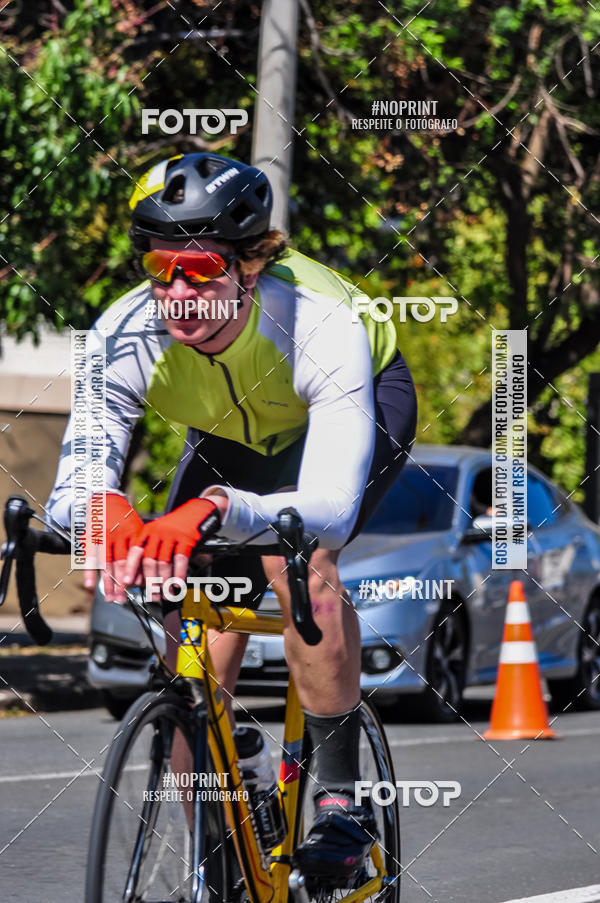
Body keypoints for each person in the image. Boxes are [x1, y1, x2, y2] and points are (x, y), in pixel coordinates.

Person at [46, 152, 417, 879]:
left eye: (201, 269)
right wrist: (106, 512)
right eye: (161, 269)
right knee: (194, 624)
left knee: (298, 561)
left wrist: (216, 507)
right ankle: (219, 837)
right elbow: (74, 480)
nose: (179, 293)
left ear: (248, 265)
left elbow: (331, 509)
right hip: (232, 431)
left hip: (349, 403)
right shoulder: (120, 334)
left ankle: (340, 802)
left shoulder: (322, 323)